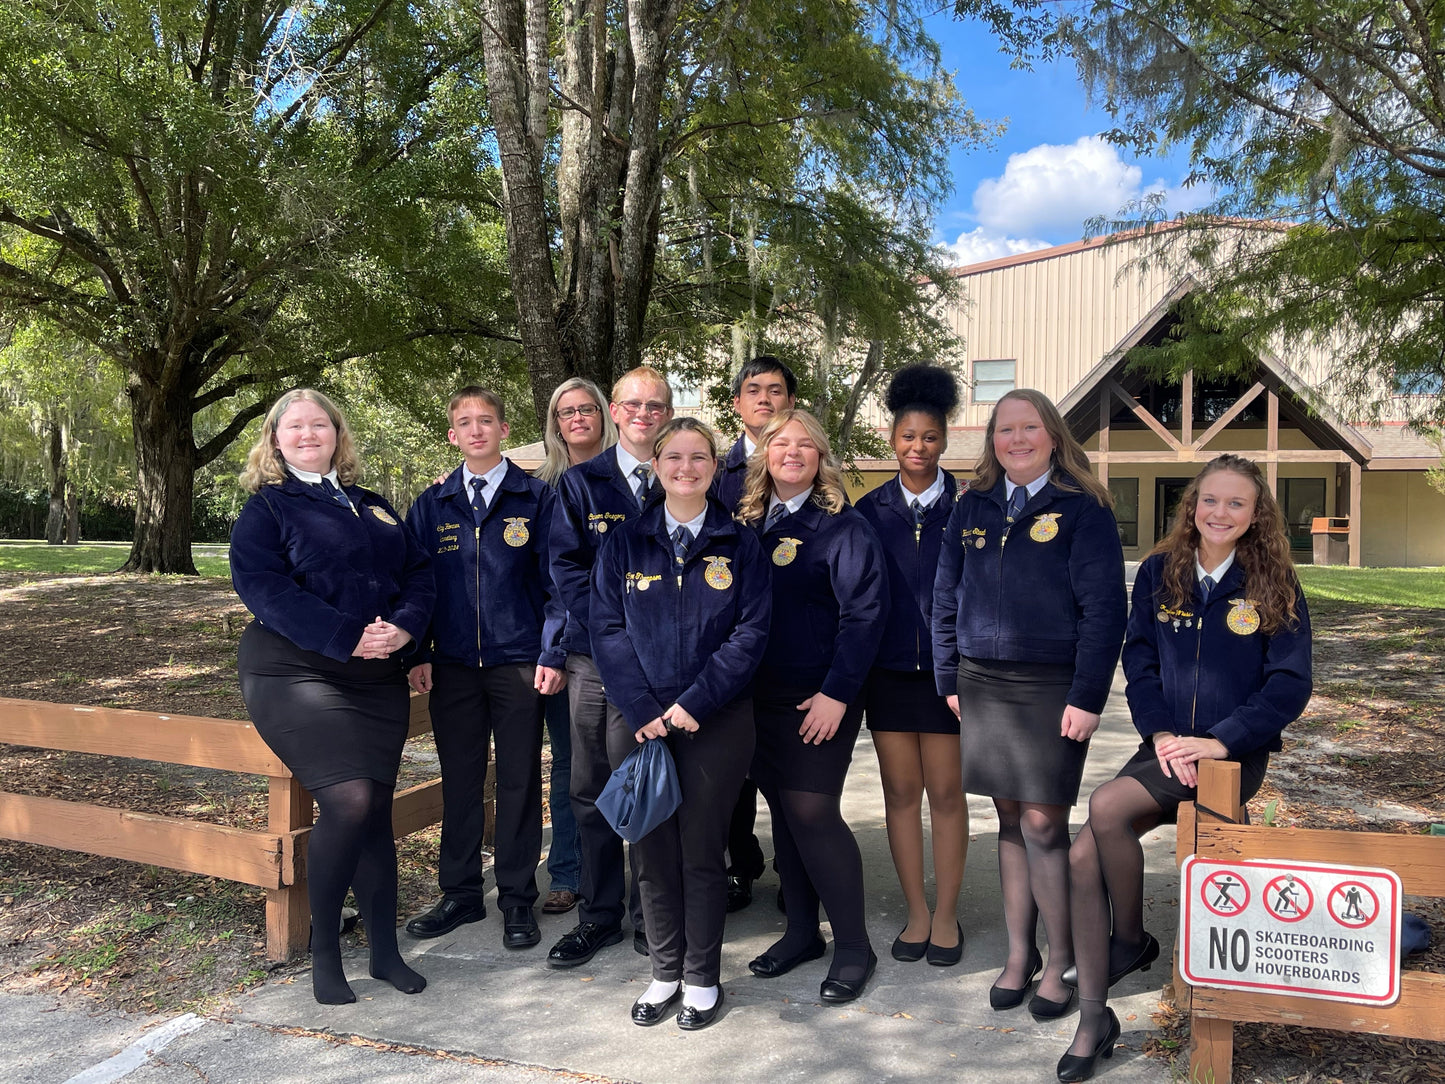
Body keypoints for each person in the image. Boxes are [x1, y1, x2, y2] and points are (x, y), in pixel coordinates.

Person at [1057, 454, 1311, 1082]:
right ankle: (1095, 1018)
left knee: (1104, 807)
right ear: (1192, 506)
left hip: (1232, 753)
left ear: (1256, 515)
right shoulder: (1159, 570)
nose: (1220, 513)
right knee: (1083, 855)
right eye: (1210, 500)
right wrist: (1164, 734)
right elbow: (1139, 660)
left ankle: (1129, 940)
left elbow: (1289, 684)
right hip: (1168, 744)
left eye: (1236, 503)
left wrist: (1220, 742)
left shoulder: (1272, 579)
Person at [231, 388, 434, 1005]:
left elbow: (419, 574)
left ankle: (385, 953)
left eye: (319, 424)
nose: (308, 434)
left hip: (376, 679)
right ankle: (325, 952)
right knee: (348, 802)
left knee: (374, 811)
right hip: (295, 673)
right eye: (294, 426)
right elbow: (263, 587)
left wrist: (406, 632)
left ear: (337, 435)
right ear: (275, 439)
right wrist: (347, 636)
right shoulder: (268, 508)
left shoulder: (373, 505)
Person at [931, 388, 1126, 1021]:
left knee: (1044, 824)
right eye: (1005, 429)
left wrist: (1088, 695)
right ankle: (1020, 954)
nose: (1017, 439)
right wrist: (948, 675)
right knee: (1009, 819)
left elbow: (1105, 611)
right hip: (981, 681)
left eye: (1029, 427)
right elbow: (945, 596)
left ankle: (1060, 958)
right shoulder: (972, 505)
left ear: (1053, 436)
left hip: (1051, 687)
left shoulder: (1083, 508)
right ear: (992, 440)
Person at [591, 417, 772, 1030]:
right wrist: (641, 708)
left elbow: (751, 632)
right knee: (650, 853)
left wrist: (698, 700)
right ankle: (664, 972)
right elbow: (605, 629)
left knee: (701, 852)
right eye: (674, 457)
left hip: (714, 720)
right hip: (638, 720)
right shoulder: (625, 543)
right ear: (657, 465)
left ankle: (701, 979)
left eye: (699, 458)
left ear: (714, 468)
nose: (686, 468)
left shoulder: (740, 543)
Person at [402, 387, 566, 950]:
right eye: (465, 423)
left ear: (503, 430)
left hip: (519, 663)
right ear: (453, 435)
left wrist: (551, 652)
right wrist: (417, 652)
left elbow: (557, 583)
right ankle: (461, 894)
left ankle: (516, 897)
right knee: (461, 779)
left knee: (519, 780)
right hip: (451, 666)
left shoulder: (536, 498)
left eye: (487, 421)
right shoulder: (432, 504)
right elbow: (415, 585)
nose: (477, 430)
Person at [739, 409, 888, 1003]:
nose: (792, 453)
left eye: (805, 444)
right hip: (758, 697)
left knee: (812, 810)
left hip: (818, 697)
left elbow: (865, 616)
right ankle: (801, 932)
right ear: (764, 454)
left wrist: (837, 693)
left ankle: (854, 945)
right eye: (781, 443)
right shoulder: (748, 523)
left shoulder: (843, 528)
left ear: (821, 457)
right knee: (782, 811)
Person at [547, 366, 674, 966]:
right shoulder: (581, 485)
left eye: (656, 405)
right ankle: (599, 914)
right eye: (633, 404)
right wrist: (613, 634)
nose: (644, 414)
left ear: (666, 414)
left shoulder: (684, 473)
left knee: (647, 787)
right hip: (596, 661)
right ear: (615, 411)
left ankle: (654, 917)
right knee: (592, 786)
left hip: (664, 665)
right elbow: (565, 569)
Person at [855, 364, 968, 967]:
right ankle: (917, 912)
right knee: (901, 792)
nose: (918, 447)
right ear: (891, 439)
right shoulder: (867, 511)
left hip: (951, 678)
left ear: (944, 440)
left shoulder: (971, 506)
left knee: (946, 793)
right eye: (907, 436)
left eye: (929, 437)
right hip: (888, 674)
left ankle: (946, 915)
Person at [712, 355, 798, 911]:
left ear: (790, 401)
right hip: (729, 645)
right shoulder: (717, 474)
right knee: (732, 773)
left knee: (789, 772)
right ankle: (739, 866)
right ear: (737, 403)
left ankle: (796, 870)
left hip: (792, 645)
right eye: (753, 390)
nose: (764, 399)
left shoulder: (809, 464)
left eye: (775, 390)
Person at [534, 377, 619, 916]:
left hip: (619, 644)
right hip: (562, 648)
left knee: (628, 761)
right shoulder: (540, 489)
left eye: (588, 408)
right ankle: (569, 872)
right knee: (572, 765)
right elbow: (553, 579)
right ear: (555, 424)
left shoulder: (628, 477)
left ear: (604, 415)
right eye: (567, 412)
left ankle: (630, 876)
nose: (579, 418)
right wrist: (555, 650)